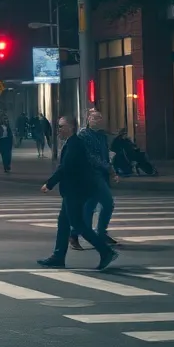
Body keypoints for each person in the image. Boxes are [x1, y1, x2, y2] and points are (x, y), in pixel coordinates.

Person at [37, 115, 118, 271]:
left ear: (71, 128)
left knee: (78, 225)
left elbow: (65, 168)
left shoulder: (75, 144)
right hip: (72, 191)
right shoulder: (72, 143)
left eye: (61, 126)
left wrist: (50, 183)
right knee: (63, 224)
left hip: (76, 191)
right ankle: (58, 256)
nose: (58, 129)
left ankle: (106, 251)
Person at [70, 110, 117, 250]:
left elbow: (105, 154)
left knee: (90, 206)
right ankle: (85, 233)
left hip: (101, 174)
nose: (98, 120)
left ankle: (83, 234)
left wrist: (110, 169)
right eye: (95, 118)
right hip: (91, 175)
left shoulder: (102, 136)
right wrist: (108, 168)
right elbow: (90, 156)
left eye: (100, 118)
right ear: (88, 119)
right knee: (107, 203)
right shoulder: (83, 135)